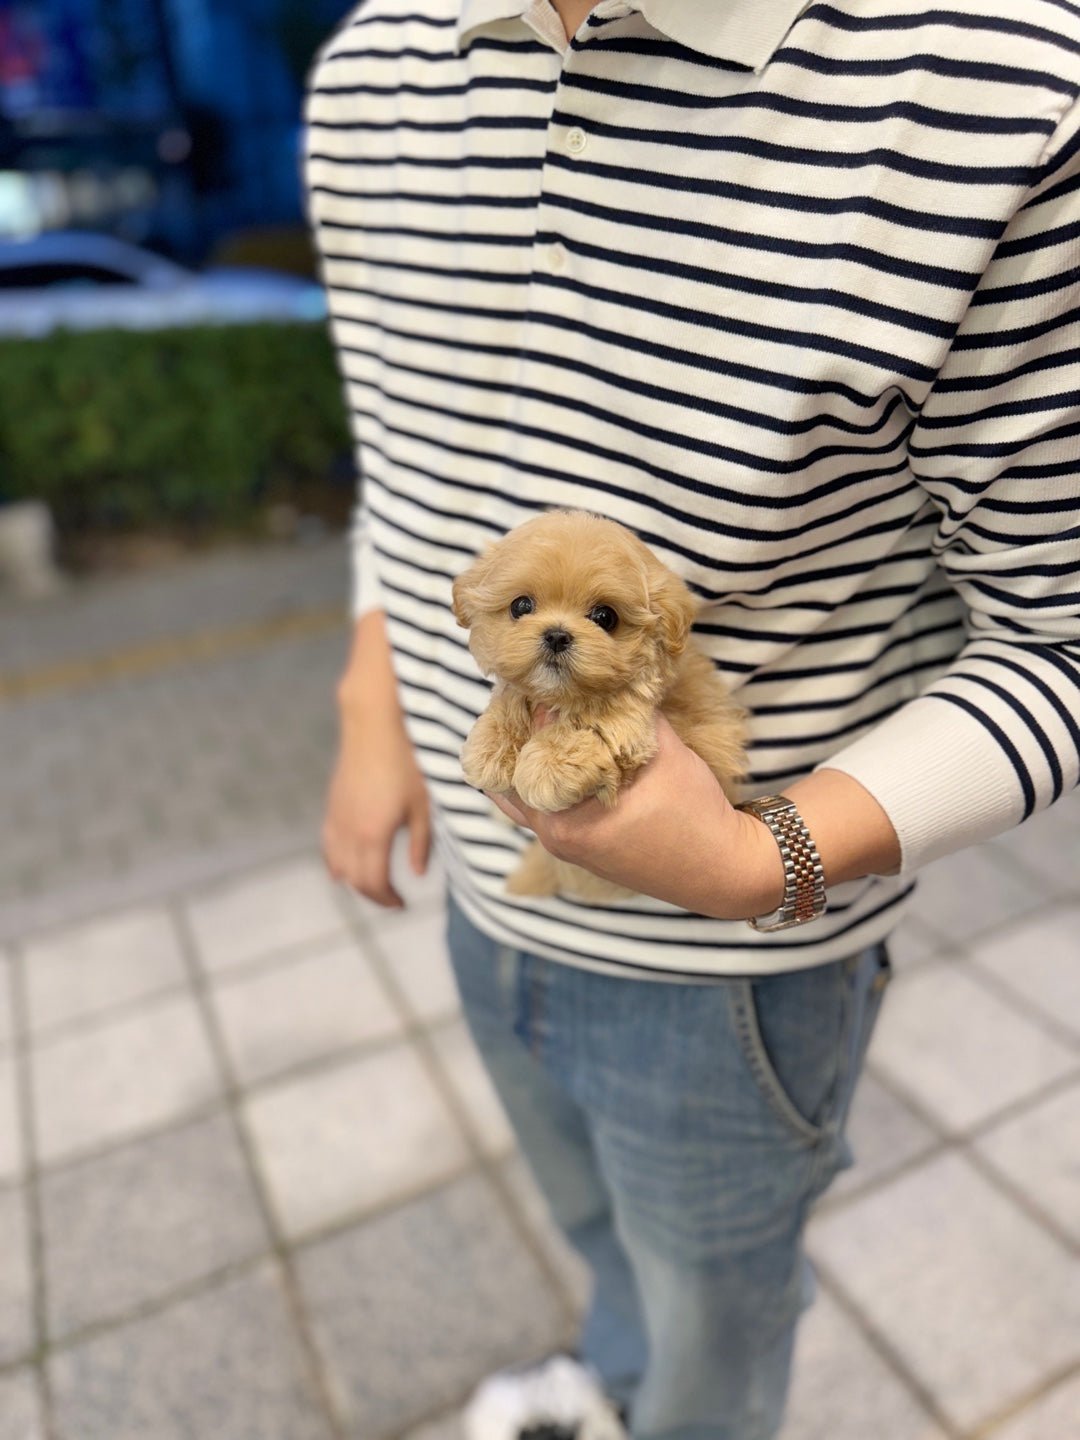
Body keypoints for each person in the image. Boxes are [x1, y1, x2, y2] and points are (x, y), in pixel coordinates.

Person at [310, 0, 1080, 1436]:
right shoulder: (373, 66)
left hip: (735, 976)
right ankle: (611, 1383)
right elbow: (402, 449)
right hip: (483, 901)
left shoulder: (999, 94)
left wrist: (756, 860)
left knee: (714, 1318)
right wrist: (372, 695)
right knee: (597, 1231)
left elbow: (1064, 636)